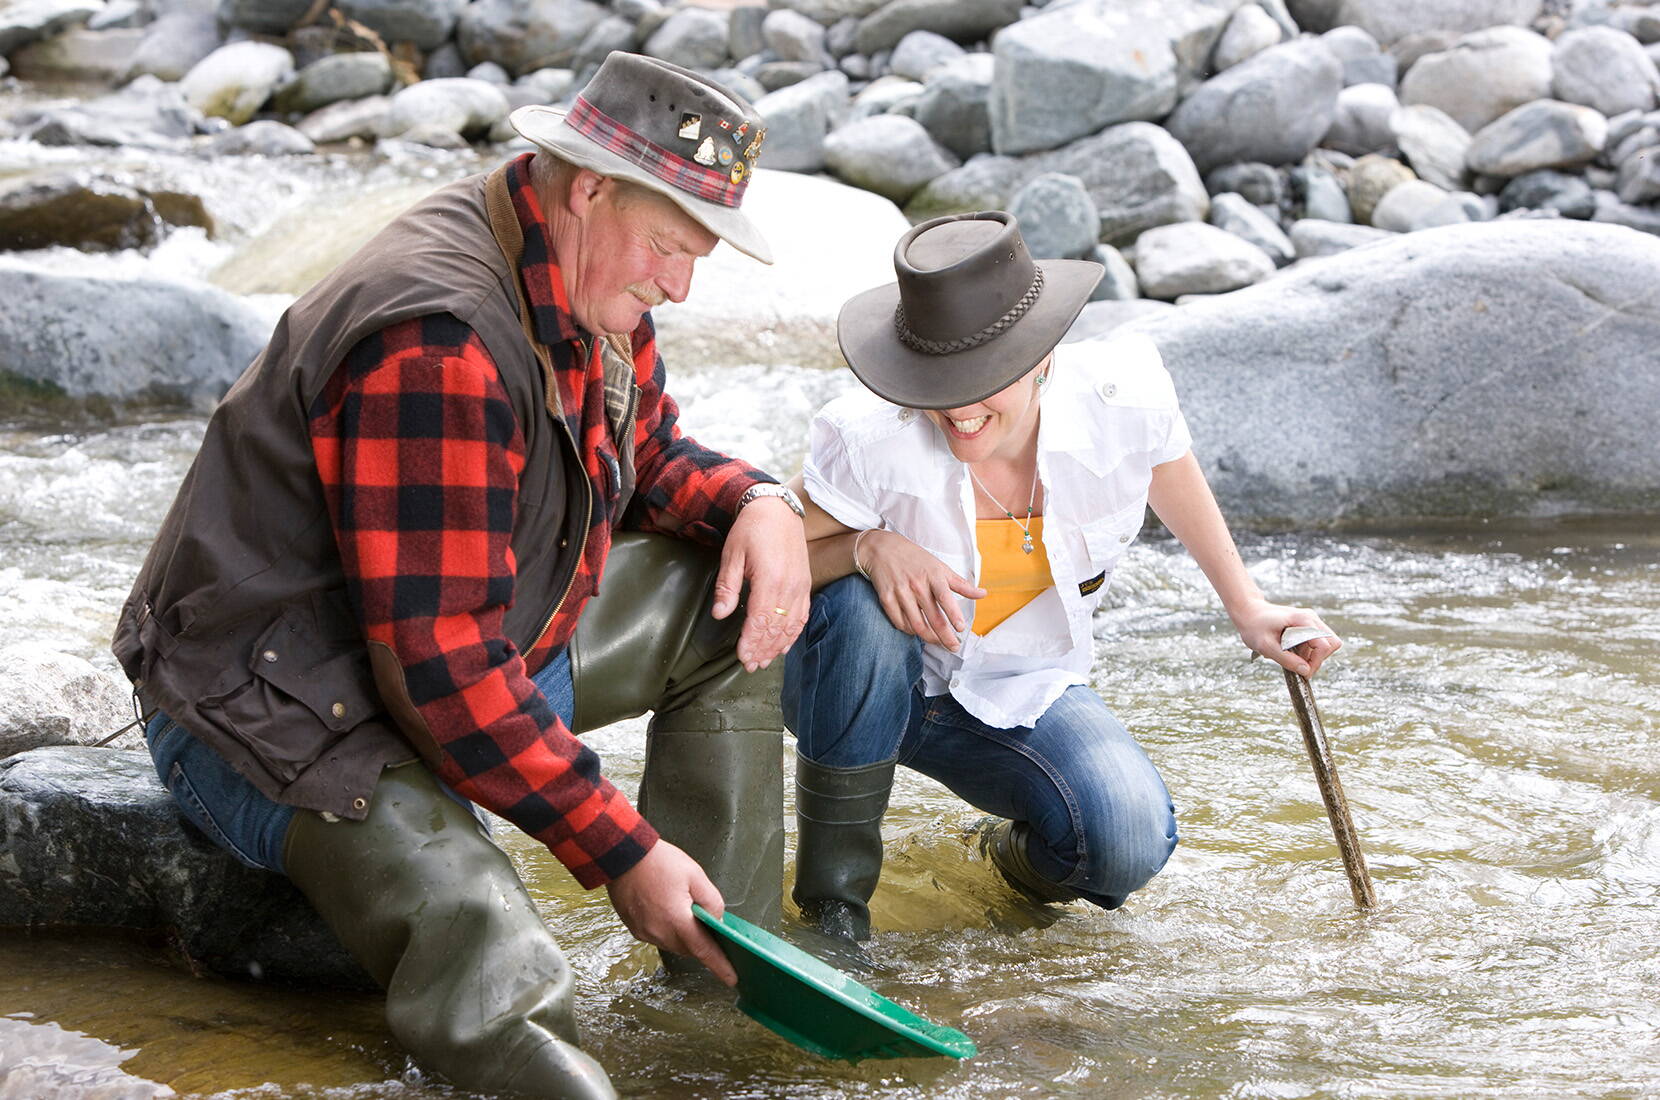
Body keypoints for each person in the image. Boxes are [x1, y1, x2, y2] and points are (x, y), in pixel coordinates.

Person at [112, 53, 810, 1099]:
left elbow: (647, 450)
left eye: (694, 255)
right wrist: (622, 849)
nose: (679, 284)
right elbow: (439, 670)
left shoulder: (583, 268)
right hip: (279, 709)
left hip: (464, 649)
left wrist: (759, 501)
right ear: (588, 185)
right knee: (493, 947)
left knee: (734, 606)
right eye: (671, 248)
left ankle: (724, 982)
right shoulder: (436, 338)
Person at [782, 211, 1342, 943]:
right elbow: (769, 557)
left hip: (1014, 683)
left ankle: (1003, 863)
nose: (957, 408)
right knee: (861, 607)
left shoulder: (1121, 397)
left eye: (983, 380)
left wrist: (1247, 605)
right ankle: (833, 913)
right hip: (848, 682)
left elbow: (1168, 468)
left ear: (1043, 359)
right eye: (936, 381)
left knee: (1127, 841)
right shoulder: (869, 436)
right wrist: (867, 547)